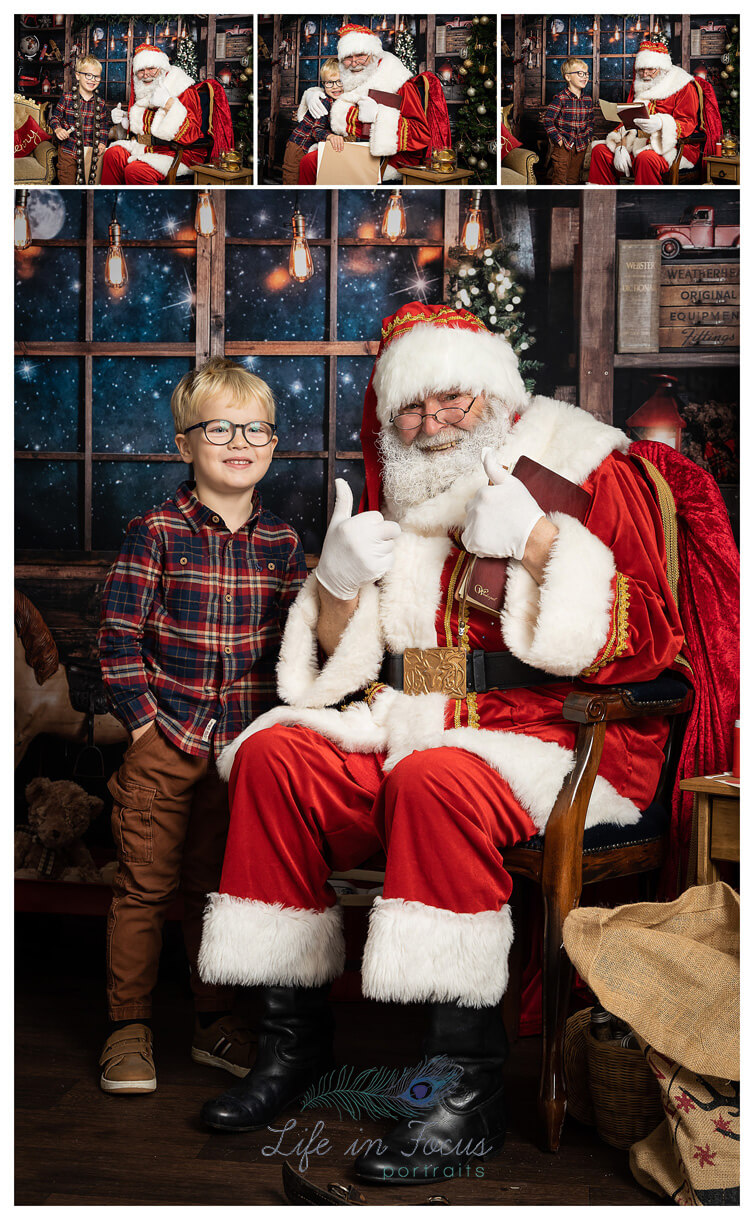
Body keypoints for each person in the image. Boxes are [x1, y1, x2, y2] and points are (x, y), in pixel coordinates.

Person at [196, 303, 686, 1181]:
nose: (430, 426)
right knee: (274, 757)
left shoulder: (586, 469)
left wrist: (541, 544)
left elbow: (652, 638)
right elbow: (363, 657)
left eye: (449, 400)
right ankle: (289, 1045)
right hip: (419, 718)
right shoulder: (413, 488)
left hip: (556, 739)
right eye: (409, 412)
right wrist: (337, 585)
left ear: (493, 393)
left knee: (435, 780)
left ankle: (465, 1090)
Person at [97, 358, 307, 1095]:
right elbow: (118, 641)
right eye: (219, 428)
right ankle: (129, 1025)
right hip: (168, 743)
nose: (238, 441)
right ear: (186, 444)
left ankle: (214, 1019)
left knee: (215, 889)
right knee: (145, 887)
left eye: (255, 429)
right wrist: (144, 729)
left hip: (240, 753)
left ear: (273, 445)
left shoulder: (282, 543)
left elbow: (296, 648)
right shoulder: (155, 530)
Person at [296, 24, 450, 185]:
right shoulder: (353, 77)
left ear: (373, 54)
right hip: (355, 148)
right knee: (308, 161)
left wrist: (378, 117)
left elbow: (421, 135)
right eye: (348, 57)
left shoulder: (398, 82)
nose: (354, 63)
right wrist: (311, 94)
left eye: (361, 55)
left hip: (387, 160)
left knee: (311, 163)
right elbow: (333, 89)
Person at [100, 42, 233, 185]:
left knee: (135, 171)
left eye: (151, 68)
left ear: (162, 68)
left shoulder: (183, 90)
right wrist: (125, 121)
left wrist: (168, 103)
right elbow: (144, 126)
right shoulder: (143, 91)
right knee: (112, 155)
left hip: (177, 153)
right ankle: (111, 201)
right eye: (141, 70)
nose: (145, 75)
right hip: (146, 148)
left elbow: (192, 133)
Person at [588, 36, 703, 185]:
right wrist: (620, 147)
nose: (645, 74)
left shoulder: (683, 86)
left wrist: (661, 123)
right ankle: (603, 201)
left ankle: (645, 203)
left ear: (662, 69)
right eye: (641, 70)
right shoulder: (641, 84)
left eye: (650, 69)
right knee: (600, 152)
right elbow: (627, 122)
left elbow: (688, 123)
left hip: (668, 147)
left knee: (645, 158)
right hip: (638, 143)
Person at [282, 58, 344, 184]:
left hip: (310, 147)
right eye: (329, 83)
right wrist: (330, 136)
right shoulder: (323, 101)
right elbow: (316, 130)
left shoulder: (339, 102)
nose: (335, 87)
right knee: (292, 179)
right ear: (323, 84)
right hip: (299, 146)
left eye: (339, 81)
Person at [49, 53, 108, 185]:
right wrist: (58, 129)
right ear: (77, 76)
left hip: (90, 152)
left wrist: (103, 142)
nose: (92, 79)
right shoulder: (67, 98)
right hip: (68, 151)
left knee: (88, 184)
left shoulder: (101, 103)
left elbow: (104, 126)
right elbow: (54, 118)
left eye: (96, 77)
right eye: (88, 75)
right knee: (66, 182)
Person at [543, 57, 593, 184]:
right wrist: (558, 140)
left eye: (586, 74)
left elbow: (590, 121)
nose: (585, 77)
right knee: (560, 179)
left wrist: (587, 138)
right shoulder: (560, 98)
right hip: (563, 146)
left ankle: (571, 201)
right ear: (568, 77)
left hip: (580, 145)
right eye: (580, 73)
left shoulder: (587, 100)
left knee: (574, 179)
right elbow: (548, 120)